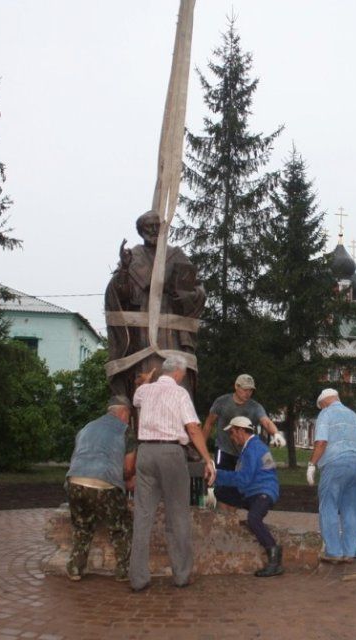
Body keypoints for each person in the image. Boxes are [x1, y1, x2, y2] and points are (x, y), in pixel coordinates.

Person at [128, 354, 216, 591]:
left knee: (142, 515)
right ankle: (182, 575)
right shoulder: (179, 393)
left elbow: (136, 397)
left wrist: (146, 380)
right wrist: (207, 459)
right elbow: (193, 428)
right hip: (170, 453)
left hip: (145, 452)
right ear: (178, 373)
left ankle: (138, 578)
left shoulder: (145, 392)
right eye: (184, 374)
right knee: (178, 515)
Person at [105, 210, 206, 401]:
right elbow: (120, 295)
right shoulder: (133, 257)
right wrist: (125, 270)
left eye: (156, 226)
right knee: (144, 390)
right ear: (140, 231)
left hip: (172, 337)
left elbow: (198, 291)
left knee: (178, 392)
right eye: (148, 227)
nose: (153, 230)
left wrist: (184, 295)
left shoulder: (176, 255)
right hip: (143, 339)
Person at [64, 397, 137, 582]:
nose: (128, 419)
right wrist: (128, 480)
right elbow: (128, 469)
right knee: (121, 526)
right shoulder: (125, 431)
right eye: (128, 415)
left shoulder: (86, 428)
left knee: (82, 526)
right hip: (105, 483)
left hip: (75, 481)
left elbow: (76, 456)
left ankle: (75, 568)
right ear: (123, 412)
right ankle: (122, 570)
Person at [212, 416, 283, 578]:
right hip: (254, 491)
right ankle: (229, 523)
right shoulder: (251, 447)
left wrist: (217, 474)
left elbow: (243, 479)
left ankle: (274, 558)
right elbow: (243, 480)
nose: (232, 436)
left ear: (241, 431)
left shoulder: (253, 448)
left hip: (263, 492)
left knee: (254, 519)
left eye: (233, 432)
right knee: (221, 492)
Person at [307, 388, 356, 563]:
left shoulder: (326, 414)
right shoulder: (354, 415)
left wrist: (312, 465)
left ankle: (334, 552)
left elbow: (322, 442)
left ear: (323, 403)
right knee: (352, 509)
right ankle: (349, 552)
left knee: (329, 506)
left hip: (335, 464)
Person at [202, 374, 286, 471]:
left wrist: (276, 434)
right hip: (224, 450)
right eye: (245, 389)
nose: (248, 393)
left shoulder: (255, 407)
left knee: (243, 484)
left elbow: (266, 422)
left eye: (250, 390)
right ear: (236, 386)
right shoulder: (222, 402)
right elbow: (209, 424)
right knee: (224, 483)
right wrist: (201, 449)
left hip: (245, 453)